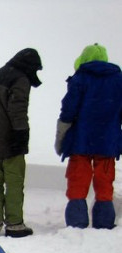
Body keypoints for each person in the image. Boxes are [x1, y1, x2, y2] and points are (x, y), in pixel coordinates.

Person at [0, 48, 43, 238]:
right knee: (14, 182)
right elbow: (18, 109)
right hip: (9, 139)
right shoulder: (20, 79)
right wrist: (21, 135)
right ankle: (14, 224)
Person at [55, 43, 122, 229]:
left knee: (78, 180)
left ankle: (77, 223)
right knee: (105, 183)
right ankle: (104, 222)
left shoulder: (80, 78)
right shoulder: (119, 80)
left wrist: (61, 137)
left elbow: (68, 110)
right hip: (108, 140)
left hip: (81, 139)